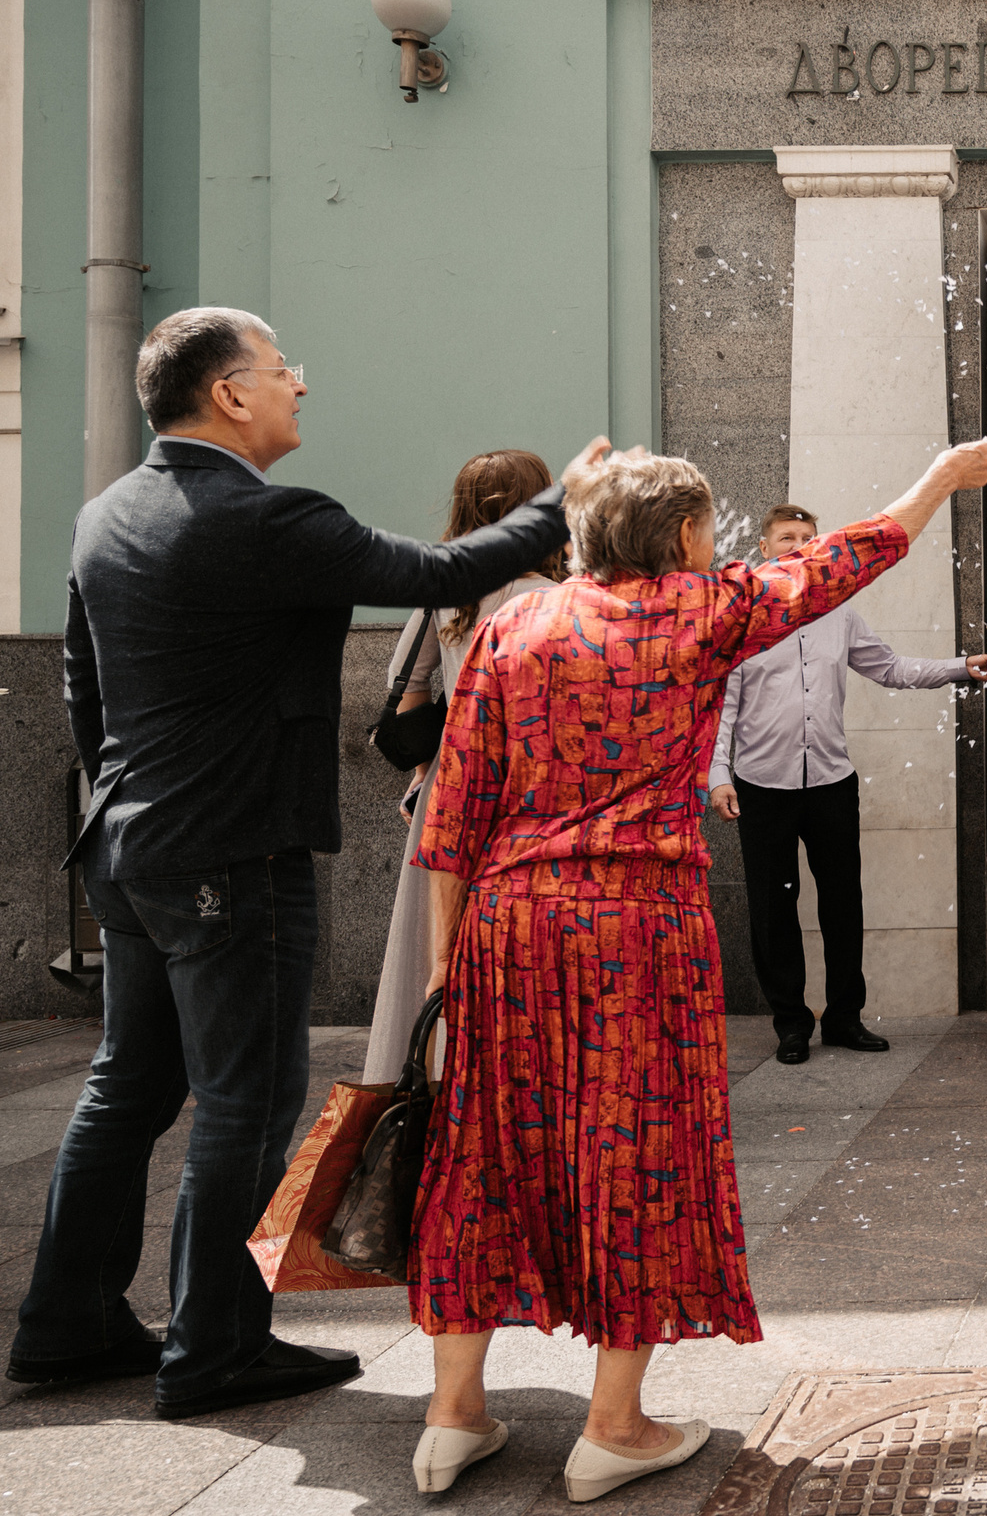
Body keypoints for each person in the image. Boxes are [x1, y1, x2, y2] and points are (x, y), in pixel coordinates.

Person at [10, 307, 594, 1421]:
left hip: (129, 845)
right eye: (282, 370)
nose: (300, 386)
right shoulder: (266, 518)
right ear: (230, 394)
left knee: (127, 1086)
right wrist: (562, 500)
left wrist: (136, 795)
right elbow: (439, 567)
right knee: (245, 1100)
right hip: (233, 849)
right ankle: (214, 1345)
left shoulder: (105, 515)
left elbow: (83, 692)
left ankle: (65, 1322)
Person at [405, 438, 987, 1501]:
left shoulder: (512, 622)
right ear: (684, 536)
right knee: (635, 1153)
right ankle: (614, 1424)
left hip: (508, 919)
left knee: (483, 1148)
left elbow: (451, 817)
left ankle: (452, 1415)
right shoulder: (700, 611)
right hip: (637, 923)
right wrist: (938, 481)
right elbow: (848, 559)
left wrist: (450, 968)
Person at [708, 502, 987, 1064]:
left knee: (844, 903)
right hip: (761, 786)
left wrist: (962, 667)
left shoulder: (839, 613)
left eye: (808, 537)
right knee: (774, 908)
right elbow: (723, 708)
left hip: (832, 782)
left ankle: (844, 1017)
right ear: (764, 549)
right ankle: (791, 1023)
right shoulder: (741, 619)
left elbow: (890, 668)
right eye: (787, 537)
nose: (798, 545)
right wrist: (718, 776)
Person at [361, 450, 566, 1085]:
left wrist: (429, 764)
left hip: (452, 793)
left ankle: (437, 1079)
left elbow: (408, 687)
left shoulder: (448, 594)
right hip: (537, 801)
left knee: (438, 955)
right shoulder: (559, 598)